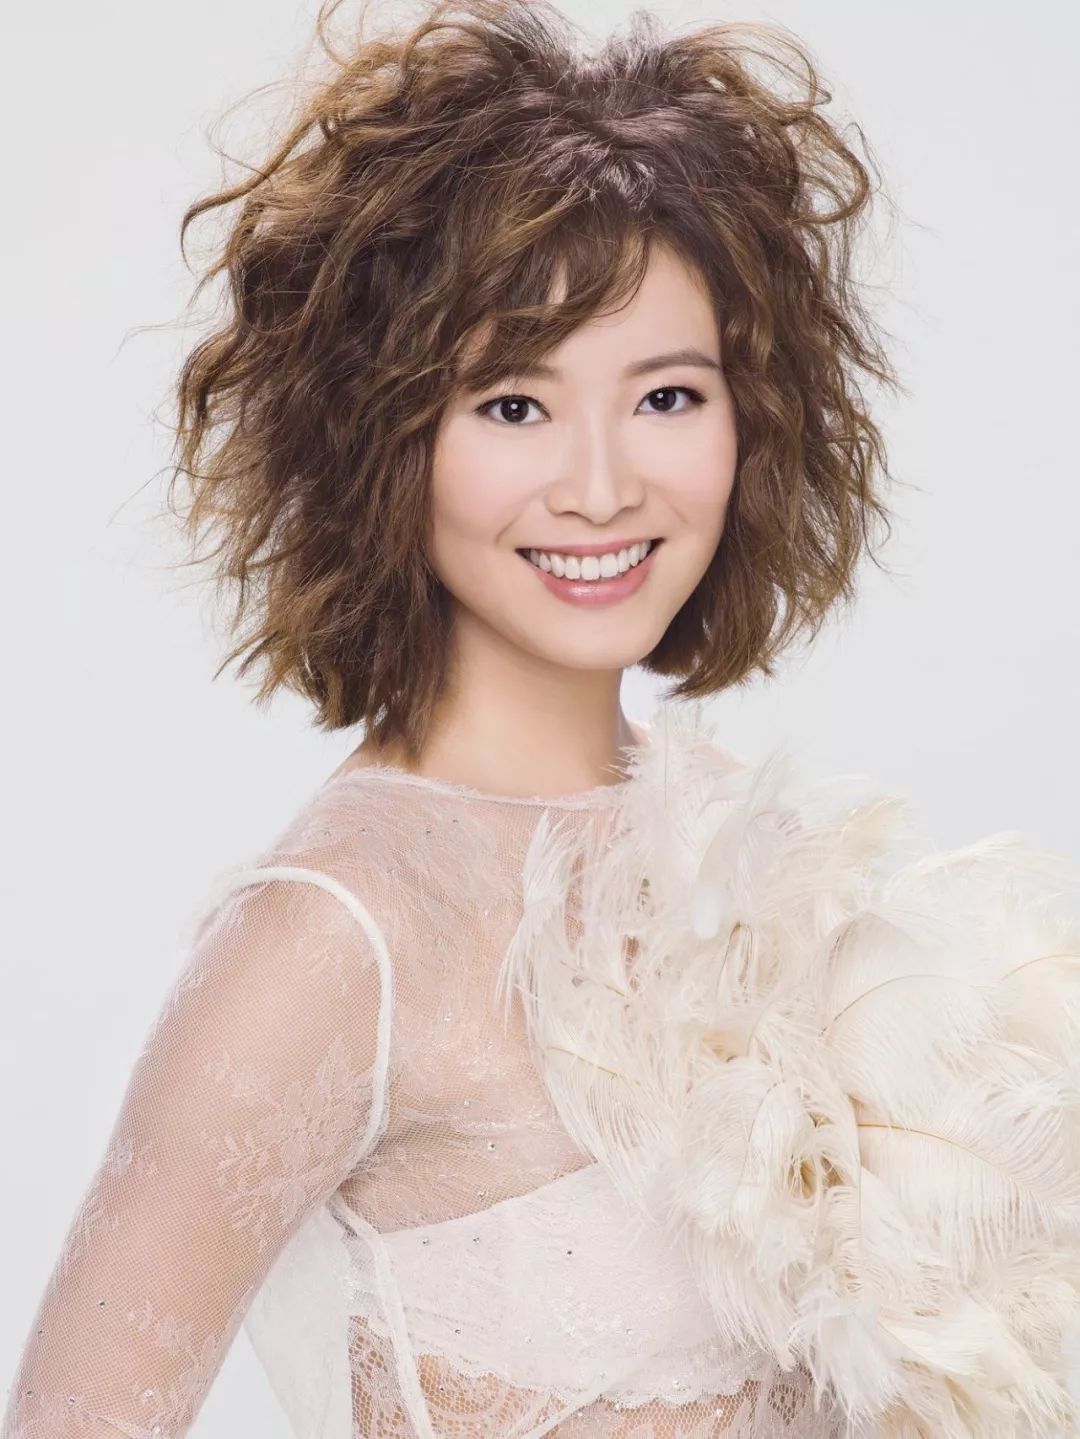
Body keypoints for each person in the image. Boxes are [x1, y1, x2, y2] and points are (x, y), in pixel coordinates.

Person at [3, 0, 1079, 1436]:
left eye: (667, 396)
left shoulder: (738, 853)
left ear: (753, 419)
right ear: (380, 436)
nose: (601, 486)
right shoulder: (335, 938)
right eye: (513, 405)